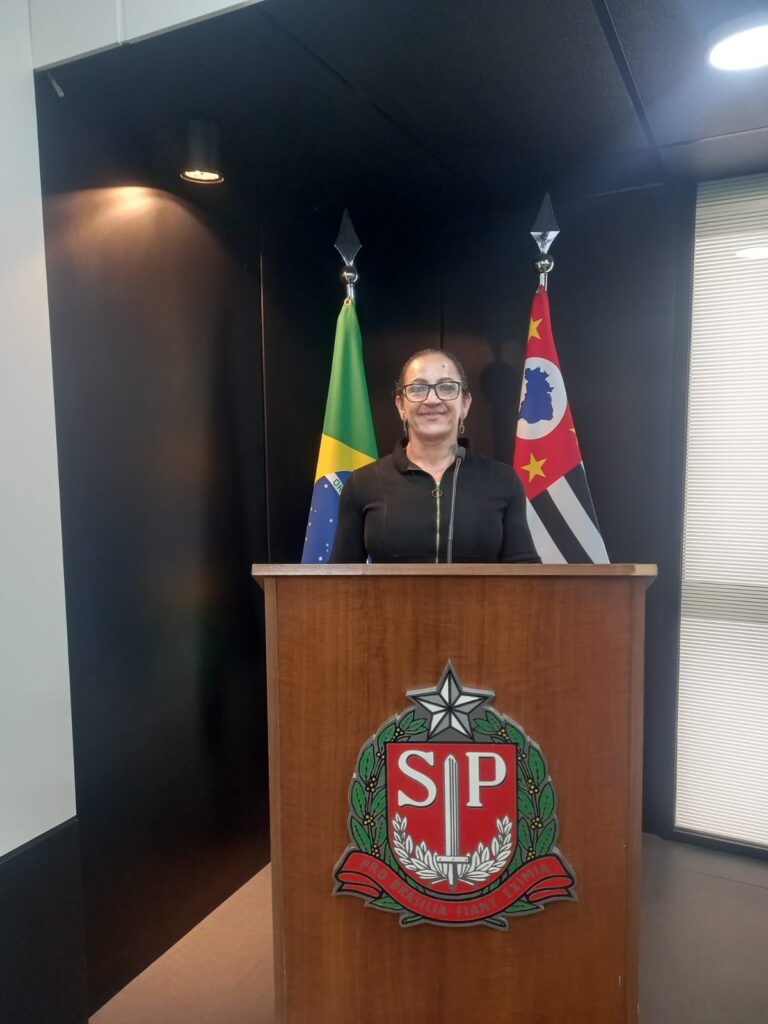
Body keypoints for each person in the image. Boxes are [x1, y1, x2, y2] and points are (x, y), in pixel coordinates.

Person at [330, 349, 540, 563]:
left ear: (465, 404)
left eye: (446, 387)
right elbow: (339, 576)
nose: (432, 400)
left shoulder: (502, 480)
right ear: (401, 406)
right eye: (418, 388)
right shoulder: (363, 482)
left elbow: (526, 573)